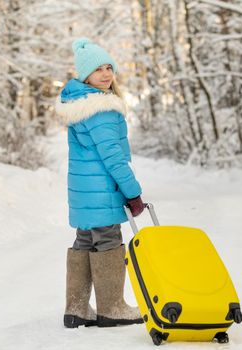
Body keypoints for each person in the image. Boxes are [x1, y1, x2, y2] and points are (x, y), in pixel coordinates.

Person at [55, 37, 145, 328]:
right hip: (102, 192)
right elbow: (114, 159)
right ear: (85, 75)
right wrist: (133, 193)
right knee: (108, 242)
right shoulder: (102, 109)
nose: (106, 74)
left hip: (83, 194)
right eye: (98, 70)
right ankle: (112, 307)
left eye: (109, 67)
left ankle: (77, 308)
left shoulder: (77, 104)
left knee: (84, 241)